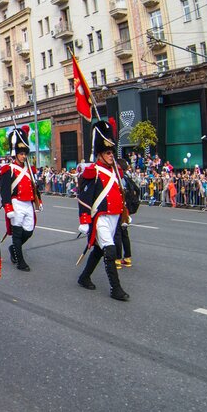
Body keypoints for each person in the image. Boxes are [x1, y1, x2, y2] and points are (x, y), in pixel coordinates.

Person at [77, 119, 129, 301]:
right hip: (100, 218)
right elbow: (84, 198)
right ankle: (116, 289)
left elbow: (120, 195)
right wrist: (84, 220)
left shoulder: (115, 171)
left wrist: (125, 214)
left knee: (99, 250)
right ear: (99, 154)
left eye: (112, 152)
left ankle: (84, 277)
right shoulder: (93, 171)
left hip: (115, 217)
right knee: (110, 251)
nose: (111, 155)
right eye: (108, 152)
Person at [0, 125, 41, 272]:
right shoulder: (8, 169)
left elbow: (34, 187)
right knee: (17, 233)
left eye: (25, 153)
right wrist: (8, 207)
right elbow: (4, 191)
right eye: (21, 153)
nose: (24, 156)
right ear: (15, 153)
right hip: (16, 202)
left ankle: (13, 249)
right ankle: (20, 261)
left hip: (28, 202)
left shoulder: (30, 169)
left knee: (28, 231)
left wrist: (38, 201)